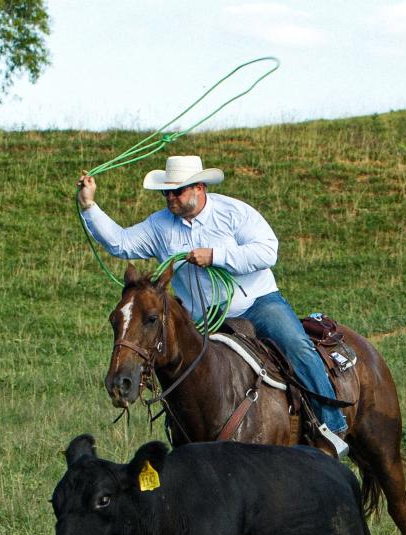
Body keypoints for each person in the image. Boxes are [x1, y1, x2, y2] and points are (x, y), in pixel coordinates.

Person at [77, 155, 349, 458]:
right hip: (205, 319)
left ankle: (331, 428)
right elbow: (121, 243)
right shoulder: (160, 225)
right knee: (183, 371)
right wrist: (90, 206)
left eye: (177, 191)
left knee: (297, 346)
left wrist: (215, 256)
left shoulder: (233, 213)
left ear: (199, 187)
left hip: (255, 303)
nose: (170, 198)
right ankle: (190, 438)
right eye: (166, 192)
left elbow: (267, 251)